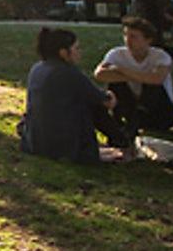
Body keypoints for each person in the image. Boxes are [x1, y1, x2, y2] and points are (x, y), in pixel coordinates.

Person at [20, 27, 121, 165]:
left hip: (35, 141)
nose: (80, 53)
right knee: (93, 105)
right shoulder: (68, 73)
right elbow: (102, 100)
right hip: (63, 146)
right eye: (76, 48)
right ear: (63, 53)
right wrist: (110, 97)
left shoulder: (37, 68)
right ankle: (121, 143)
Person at [92, 16, 173, 146]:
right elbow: (100, 74)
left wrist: (121, 70)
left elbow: (157, 78)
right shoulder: (116, 54)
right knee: (116, 83)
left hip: (160, 113)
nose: (128, 40)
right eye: (126, 35)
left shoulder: (160, 56)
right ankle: (122, 124)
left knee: (152, 86)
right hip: (130, 108)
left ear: (148, 40)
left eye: (134, 37)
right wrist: (138, 77)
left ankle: (134, 124)